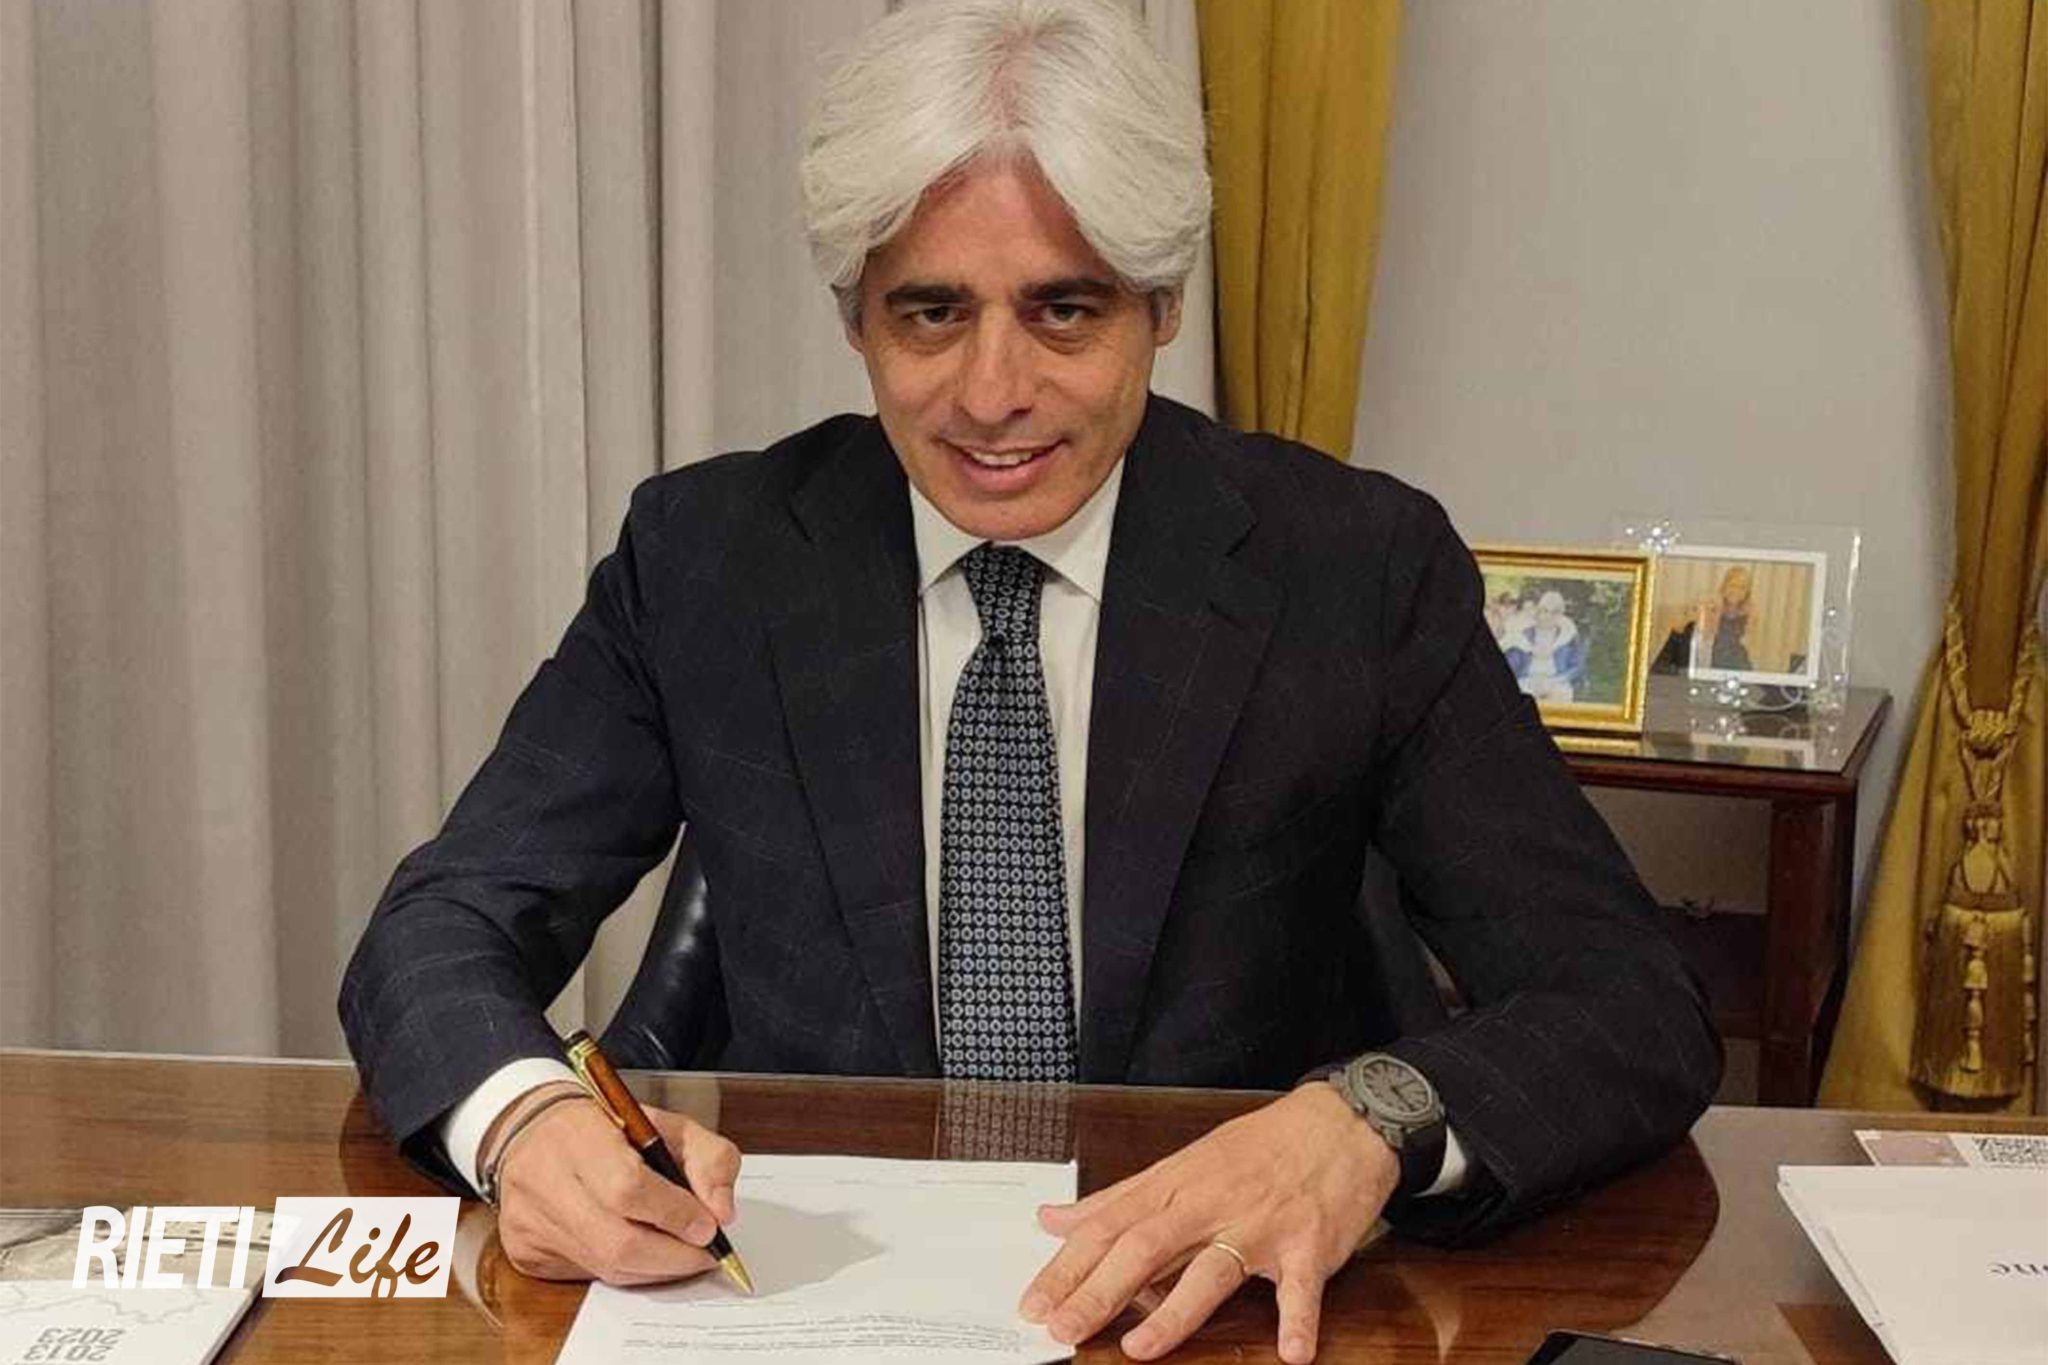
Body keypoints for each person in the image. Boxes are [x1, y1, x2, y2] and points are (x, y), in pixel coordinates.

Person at [338, 3, 1719, 1361]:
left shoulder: (1353, 568)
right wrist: (525, 1121)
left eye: (1064, 310)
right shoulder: (709, 558)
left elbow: (1627, 999)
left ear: (1161, 305)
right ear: (855, 317)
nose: (992, 393)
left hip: (1221, 1315)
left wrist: (1366, 1121)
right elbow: (443, 923)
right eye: (930, 313)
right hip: (810, 1301)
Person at [1654, 564, 1754, 674]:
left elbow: (1748, 677)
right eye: (1706, 609)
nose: (1710, 615)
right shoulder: (1681, 634)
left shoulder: (1731, 647)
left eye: (1715, 610)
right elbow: (1657, 671)